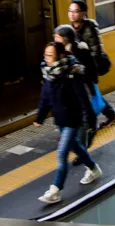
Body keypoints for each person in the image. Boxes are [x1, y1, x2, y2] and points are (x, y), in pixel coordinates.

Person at [34, 42, 102, 204]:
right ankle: (93, 169)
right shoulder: (48, 74)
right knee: (75, 147)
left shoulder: (72, 74)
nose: (47, 58)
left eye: (50, 55)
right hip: (60, 120)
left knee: (62, 154)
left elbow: (83, 99)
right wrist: (40, 117)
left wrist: (91, 121)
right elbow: (45, 98)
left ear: (60, 56)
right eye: (45, 55)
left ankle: (55, 190)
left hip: (73, 119)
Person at [67, 0, 115, 129]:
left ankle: (93, 123)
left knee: (91, 94)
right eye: (70, 11)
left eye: (76, 11)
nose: (72, 14)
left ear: (83, 13)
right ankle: (109, 116)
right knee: (92, 94)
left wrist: (92, 71)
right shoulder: (72, 28)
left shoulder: (90, 28)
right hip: (81, 67)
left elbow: (96, 51)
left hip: (89, 67)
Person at [53, 25, 103, 153]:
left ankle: (83, 148)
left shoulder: (81, 51)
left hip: (82, 88)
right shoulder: (57, 51)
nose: (55, 38)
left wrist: (89, 84)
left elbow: (91, 69)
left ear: (65, 39)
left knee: (83, 118)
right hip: (68, 93)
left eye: (57, 36)